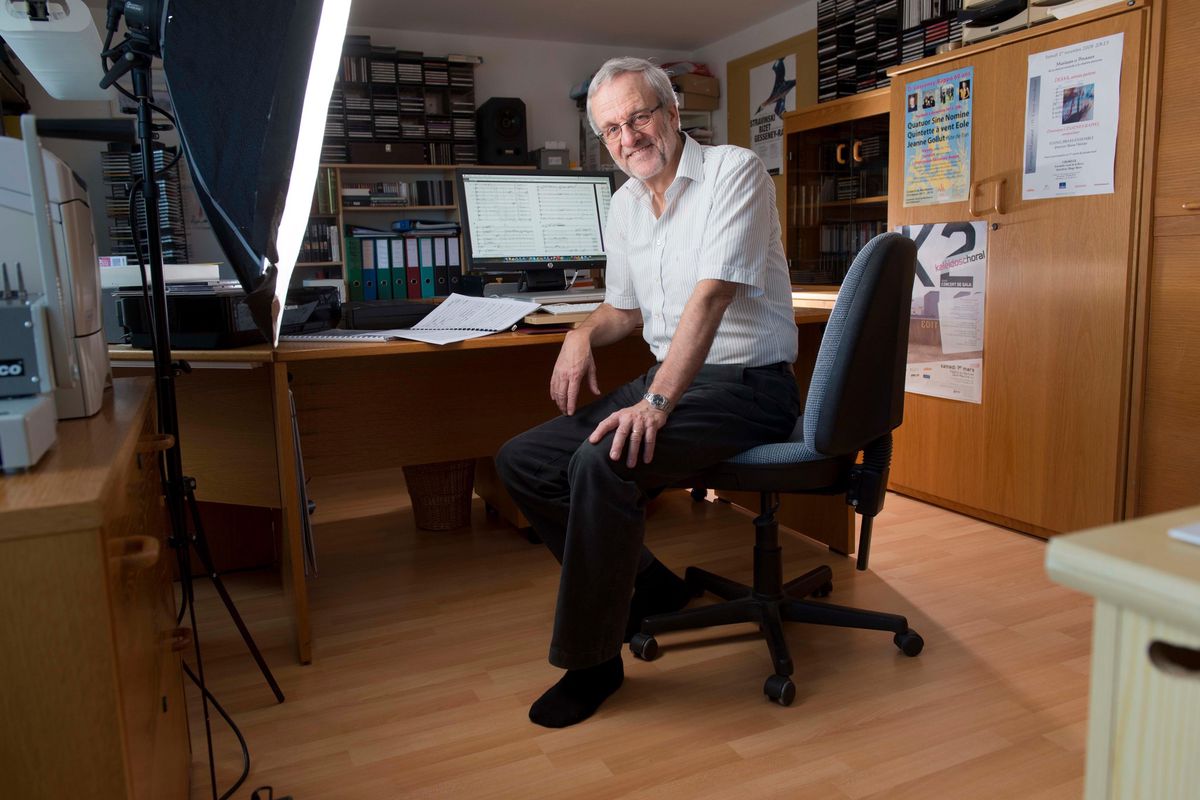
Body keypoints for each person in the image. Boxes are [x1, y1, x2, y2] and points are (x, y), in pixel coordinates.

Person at [495, 57, 800, 728]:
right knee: (524, 461)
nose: (627, 137)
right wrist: (581, 333)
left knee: (601, 462)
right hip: (674, 378)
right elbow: (625, 310)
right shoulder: (627, 204)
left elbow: (711, 297)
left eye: (638, 117)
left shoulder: (735, 172)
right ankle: (651, 583)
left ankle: (594, 662)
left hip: (748, 385)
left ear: (672, 113)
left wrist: (655, 403)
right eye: (611, 128)